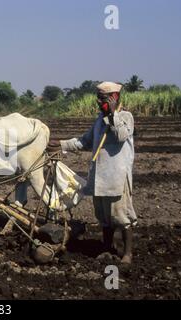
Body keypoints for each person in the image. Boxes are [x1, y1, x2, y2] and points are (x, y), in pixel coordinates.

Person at [47, 81, 136, 264]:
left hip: (116, 177)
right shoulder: (98, 120)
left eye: (102, 98)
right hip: (99, 177)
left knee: (122, 216)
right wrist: (61, 144)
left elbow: (121, 136)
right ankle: (106, 249)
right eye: (98, 98)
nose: (98, 101)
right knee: (104, 217)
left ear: (114, 98)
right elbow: (84, 141)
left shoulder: (125, 117)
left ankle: (128, 254)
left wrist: (112, 114)